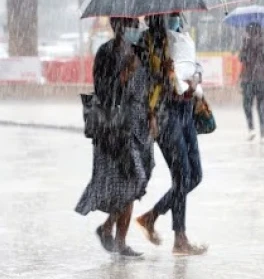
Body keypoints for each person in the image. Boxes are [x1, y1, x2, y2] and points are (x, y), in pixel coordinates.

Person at [76, 17, 153, 258]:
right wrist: (123, 76)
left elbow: (148, 86)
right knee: (130, 181)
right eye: (130, 25)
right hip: (115, 129)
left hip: (139, 127)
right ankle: (115, 236)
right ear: (118, 27)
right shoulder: (106, 53)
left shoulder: (141, 50)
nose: (134, 29)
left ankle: (112, 233)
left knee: (135, 183)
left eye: (136, 25)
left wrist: (152, 114)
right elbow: (103, 92)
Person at [135, 13, 207, 257]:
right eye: (172, 15)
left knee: (195, 175)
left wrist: (195, 78)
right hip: (164, 113)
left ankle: (151, 216)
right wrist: (164, 76)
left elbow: (194, 66)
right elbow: (143, 82)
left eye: (178, 14)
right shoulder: (146, 43)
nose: (176, 18)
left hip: (186, 109)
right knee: (182, 175)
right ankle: (180, 238)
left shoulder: (181, 38)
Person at [238, 22, 264, 142]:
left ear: (249, 30)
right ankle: (263, 135)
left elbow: (241, 58)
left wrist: (245, 46)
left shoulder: (247, 42)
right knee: (261, 106)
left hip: (249, 78)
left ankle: (251, 129)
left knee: (247, 104)